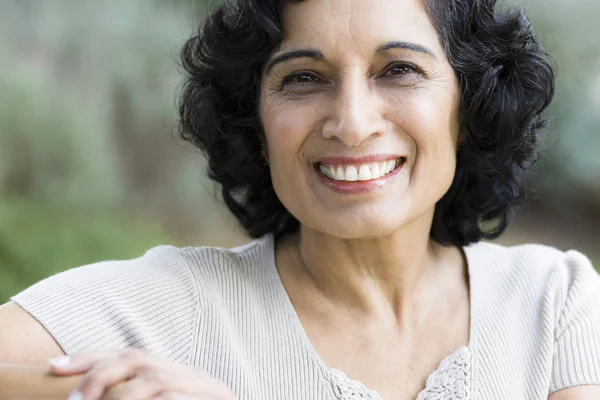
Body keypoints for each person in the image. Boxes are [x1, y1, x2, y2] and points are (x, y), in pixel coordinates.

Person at [1, 0, 599, 399]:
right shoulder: (171, 305)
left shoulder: (555, 303)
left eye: (397, 70)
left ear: (469, 109)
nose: (352, 123)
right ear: (256, 127)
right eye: (304, 79)